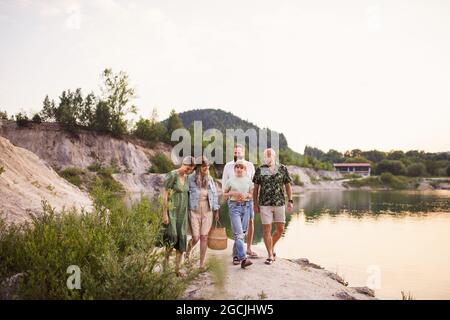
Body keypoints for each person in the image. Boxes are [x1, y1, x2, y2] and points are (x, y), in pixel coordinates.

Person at [253, 148, 293, 265]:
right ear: (264, 157)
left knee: (280, 229)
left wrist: (290, 200)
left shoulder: (282, 169)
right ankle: (270, 255)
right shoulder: (260, 170)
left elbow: (288, 186)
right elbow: (255, 189)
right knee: (267, 229)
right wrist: (255, 204)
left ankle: (271, 247)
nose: (268, 157)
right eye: (266, 155)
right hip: (264, 204)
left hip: (279, 203)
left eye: (270, 155)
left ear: (274, 157)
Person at [221, 144, 258, 258]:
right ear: (233, 153)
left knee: (249, 223)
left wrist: (250, 198)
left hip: (248, 202)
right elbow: (224, 184)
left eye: (239, 152)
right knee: (237, 227)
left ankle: (248, 248)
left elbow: (253, 185)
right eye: (235, 152)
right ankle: (238, 254)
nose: (237, 154)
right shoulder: (228, 166)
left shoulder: (250, 165)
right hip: (234, 202)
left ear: (243, 153)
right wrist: (229, 196)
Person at [162, 156, 196, 277]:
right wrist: (164, 213)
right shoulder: (172, 175)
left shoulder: (187, 178)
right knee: (172, 238)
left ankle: (177, 269)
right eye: (187, 168)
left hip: (183, 213)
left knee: (181, 239)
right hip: (172, 212)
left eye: (191, 169)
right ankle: (165, 267)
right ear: (183, 164)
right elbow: (165, 195)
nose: (188, 171)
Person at [186, 156, 220, 269]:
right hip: (194, 210)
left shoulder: (209, 179)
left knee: (204, 237)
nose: (206, 168)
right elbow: (185, 193)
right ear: (199, 166)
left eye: (208, 166)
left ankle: (201, 264)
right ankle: (187, 253)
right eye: (204, 166)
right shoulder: (190, 178)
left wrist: (217, 210)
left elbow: (214, 195)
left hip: (208, 210)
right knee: (195, 237)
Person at [223, 160, 254, 269]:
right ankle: (243, 258)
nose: (239, 169)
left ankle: (236, 256)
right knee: (239, 234)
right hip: (234, 207)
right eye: (237, 167)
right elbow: (224, 195)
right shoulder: (230, 181)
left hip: (246, 207)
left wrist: (246, 196)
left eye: (241, 167)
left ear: (245, 170)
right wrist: (232, 193)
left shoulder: (249, 181)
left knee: (242, 233)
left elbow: (252, 195)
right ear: (234, 169)